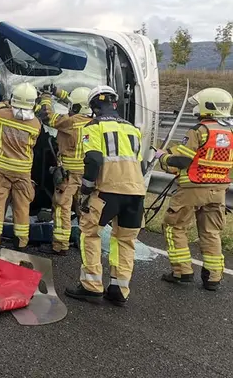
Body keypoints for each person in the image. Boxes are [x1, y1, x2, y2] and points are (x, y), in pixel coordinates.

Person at [64, 85, 146, 306]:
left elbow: (94, 160)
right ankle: (119, 289)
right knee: (125, 240)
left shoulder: (94, 126)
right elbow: (142, 162)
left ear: (93, 107)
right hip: (136, 193)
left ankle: (91, 286)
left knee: (89, 234)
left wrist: (86, 189)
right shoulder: (133, 129)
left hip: (108, 191)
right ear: (115, 104)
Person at [156, 87, 232, 291]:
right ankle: (213, 277)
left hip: (193, 187)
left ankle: (182, 271)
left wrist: (161, 158)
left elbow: (181, 160)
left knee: (175, 226)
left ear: (208, 105)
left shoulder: (200, 130)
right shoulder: (230, 131)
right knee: (211, 232)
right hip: (219, 189)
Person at [0, 82, 42, 255]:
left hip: (0, 168)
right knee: (22, 207)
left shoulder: (0, 115)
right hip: (22, 171)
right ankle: (21, 243)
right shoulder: (36, 124)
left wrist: (8, 103)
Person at [35, 85, 93, 255]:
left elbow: (48, 117)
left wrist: (46, 96)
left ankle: (60, 245)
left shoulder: (71, 122)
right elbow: (74, 101)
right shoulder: (94, 121)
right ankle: (85, 244)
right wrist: (58, 92)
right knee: (84, 210)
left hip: (69, 175)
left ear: (76, 108)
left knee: (62, 208)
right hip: (87, 175)